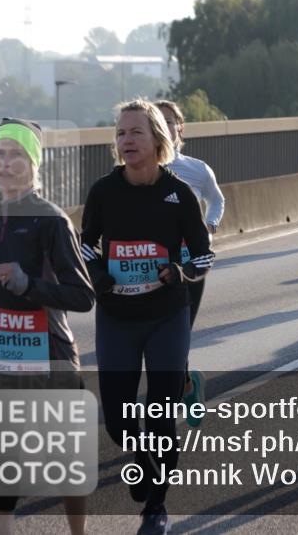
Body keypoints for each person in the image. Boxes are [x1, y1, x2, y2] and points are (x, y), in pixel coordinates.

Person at [0, 118, 95, 535]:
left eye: (16, 155)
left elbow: (82, 296)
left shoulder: (51, 220)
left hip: (50, 361)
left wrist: (30, 285)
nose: (5, 163)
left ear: (33, 165)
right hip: (1, 363)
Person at [81, 100, 214, 535]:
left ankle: (156, 506)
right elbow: (85, 247)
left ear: (157, 139)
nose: (126, 140)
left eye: (135, 132)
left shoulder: (179, 193)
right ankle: (141, 460)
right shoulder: (103, 191)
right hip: (117, 316)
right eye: (120, 133)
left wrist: (179, 271)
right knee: (119, 420)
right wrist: (99, 272)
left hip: (165, 316)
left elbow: (204, 253)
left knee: (160, 414)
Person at [155, 100, 225, 427]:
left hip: (191, 263)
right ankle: (184, 383)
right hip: (151, 267)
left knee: (179, 332)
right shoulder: (140, 170)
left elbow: (217, 199)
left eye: (171, 122)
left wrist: (209, 226)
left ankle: (169, 408)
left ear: (180, 128)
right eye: (159, 121)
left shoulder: (196, 169)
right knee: (160, 336)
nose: (166, 127)